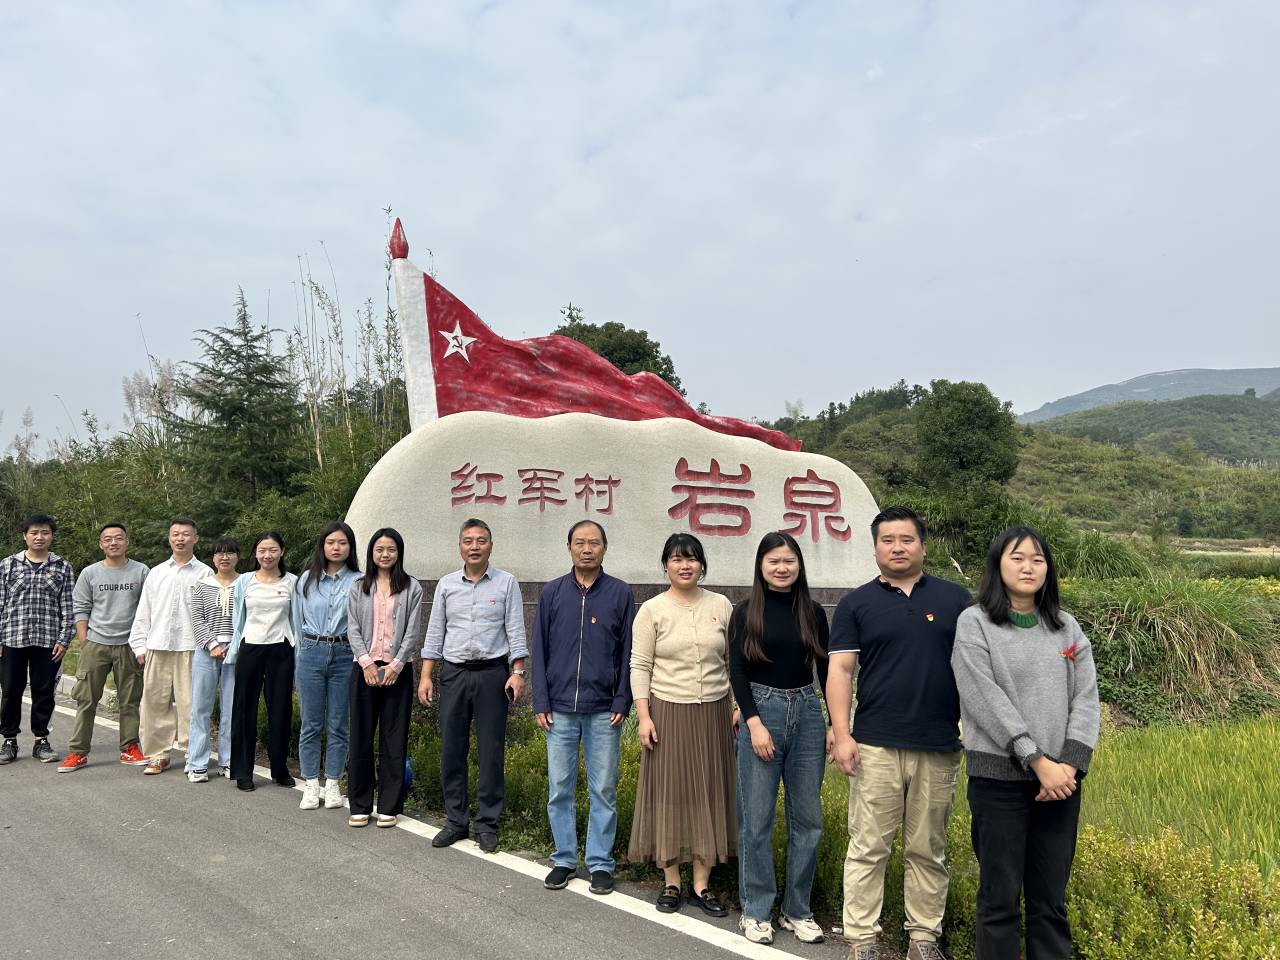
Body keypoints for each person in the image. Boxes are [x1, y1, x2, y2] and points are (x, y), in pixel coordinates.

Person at [826, 506, 973, 960]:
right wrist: (842, 734)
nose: (897, 548)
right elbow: (840, 671)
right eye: (887, 540)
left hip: (938, 743)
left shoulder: (956, 600)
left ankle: (923, 938)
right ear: (875, 549)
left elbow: (977, 667)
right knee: (868, 846)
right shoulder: (856, 604)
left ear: (923, 546)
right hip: (875, 743)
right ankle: (862, 939)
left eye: (906, 539)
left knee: (928, 848)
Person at [952, 527, 1100, 960]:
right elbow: (983, 698)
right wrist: (1036, 759)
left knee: (1050, 900)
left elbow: (1086, 698)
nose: (1028, 567)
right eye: (1017, 558)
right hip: (999, 782)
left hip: (1060, 785)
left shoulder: (1066, 627)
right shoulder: (975, 622)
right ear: (998, 565)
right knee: (999, 900)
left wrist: (1069, 765)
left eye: (1038, 559)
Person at [730, 531, 831, 945]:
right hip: (762, 709)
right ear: (761, 565)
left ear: (799, 565)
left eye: (789, 560)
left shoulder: (813, 611)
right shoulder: (746, 611)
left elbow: (826, 670)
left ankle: (797, 910)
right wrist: (753, 722)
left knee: (808, 820)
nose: (782, 568)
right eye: (774, 561)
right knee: (757, 819)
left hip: (807, 711)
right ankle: (756, 909)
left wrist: (835, 724)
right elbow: (737, 670)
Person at [628, 533, 736, 917]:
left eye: (691, 558)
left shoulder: (721, 605)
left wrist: (739, 706)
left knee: (710, 792)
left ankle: (702, 884)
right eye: (676, 559)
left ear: (701, 564)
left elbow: (734, 662)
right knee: (670, 793)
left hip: (714, 713)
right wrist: (644, 716)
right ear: (666, 566)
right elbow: (640, 665)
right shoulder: (652, 610)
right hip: (668, 712)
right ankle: (671, 880)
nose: (684, 565)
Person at [532, 520, 635, 896]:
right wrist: (540, 700)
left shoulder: (620, 593)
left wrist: (622, 697)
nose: (587, 549)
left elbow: (629, 652)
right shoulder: (552, 592)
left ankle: (600, 863)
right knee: (559, 787)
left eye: (594, 543)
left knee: (603, 789)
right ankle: (563, 858)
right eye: (580, 542)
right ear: (569, 547)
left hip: (604, 709)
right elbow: (539, 648)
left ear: (604, 548)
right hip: (558, 708)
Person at [419, 518, 528, 853]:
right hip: (454, 673)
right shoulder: (447, 584)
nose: (475, 546)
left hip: (492, 674)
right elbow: (435, 631)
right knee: (452, 748)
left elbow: (516, 630)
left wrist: (518, 672)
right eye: (468, 541)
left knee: (490, 751)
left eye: (481, 540)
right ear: (460, 546)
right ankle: (456, 820)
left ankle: (487, 823)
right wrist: (426, 675)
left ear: (490, 545)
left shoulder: (506, 583)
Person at [346, 527, 422, 828]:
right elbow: (353, 627)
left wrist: (396, 665)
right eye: (379, 549)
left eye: (391, 549)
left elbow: (413, 630)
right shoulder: (359, 586)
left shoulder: (411, 587)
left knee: (394, 737)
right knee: (361, 737)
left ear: (399, 553)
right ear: (371, 553)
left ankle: (389, 805)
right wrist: (366, 663)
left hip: (397, 670)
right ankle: (360, 803)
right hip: (364, 668)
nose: (385, 554)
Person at [59, 522, 150, 772]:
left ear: (126, 542)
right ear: (101, 544)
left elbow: (148, 608)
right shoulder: (90, 573)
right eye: (108, 539)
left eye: (118, 538)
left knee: (130, 701)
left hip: (129, 645)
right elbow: (80, 608)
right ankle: (78, 752)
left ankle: (129, 748)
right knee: (86, 700)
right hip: (96, 644)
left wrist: (142, 643)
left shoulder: (141, 571)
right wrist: (85, 641)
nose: (113, 543)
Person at [129, 518, 211, 776]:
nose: (180, 539)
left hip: (191, 646)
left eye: (186, 534)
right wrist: (139, 646)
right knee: (154, 703)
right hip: (158, 644)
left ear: (195, 538)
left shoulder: (205, 573)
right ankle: (158, 754)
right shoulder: (157, 572)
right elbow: (144, 611)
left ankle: (192, 754)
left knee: (191, 704)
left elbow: (209, 614)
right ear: (169, 538)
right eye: (175, 534)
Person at [225, 531, 302, 791]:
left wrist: (297, 651)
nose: (267, 555)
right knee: (244, 709)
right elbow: (238, 617)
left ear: (281, 552)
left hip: (281, 648)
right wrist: (235, 648)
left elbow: (296, 619)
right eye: (262, 550)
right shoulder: (245, 581)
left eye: (272, 550)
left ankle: (279, 769)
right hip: (251, 647)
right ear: (255, 553)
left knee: (280, 710)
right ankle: (242, 771)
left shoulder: (292, 582)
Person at [295, 521, 362, 812]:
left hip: (345, 653)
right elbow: (297, 622)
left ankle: (333, 783)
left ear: (350, 547)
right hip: (311, 650)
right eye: (331, 542)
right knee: (311, 723)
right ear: (322, 546)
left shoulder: (360, 581)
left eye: (342, 543)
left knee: (338, 723)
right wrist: (299, 658)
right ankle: (311, 784)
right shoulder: (306, 580)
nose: (336, 548)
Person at [0, 514, 74, 765]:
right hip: (12, 638)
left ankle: (41, 740)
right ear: (25, 536)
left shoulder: (62, 566)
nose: (39, 537)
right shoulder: (8, 565)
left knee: (44, 692)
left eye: (45, 532)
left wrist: (64, 639)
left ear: (51, 536)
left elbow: (68, 607)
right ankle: (9, 740)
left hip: (48, 641)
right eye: (34, 532)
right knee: (10, 691)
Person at [187, 538, 240, 782]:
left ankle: (228, 761)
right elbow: (197, 619)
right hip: (205, 652)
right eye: (220, 553)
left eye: (230, 553)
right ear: (213, 558)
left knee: (232, 709)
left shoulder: (245, 584)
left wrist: (234, 645)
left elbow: (247, 618)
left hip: (236, 652)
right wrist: (212, 645)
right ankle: (197, 762)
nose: (224, 557)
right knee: (201, 708)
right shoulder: (201, 585)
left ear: (238, 556)